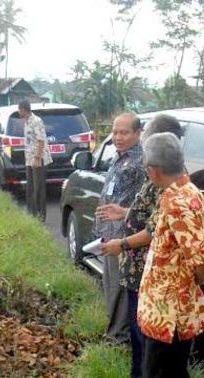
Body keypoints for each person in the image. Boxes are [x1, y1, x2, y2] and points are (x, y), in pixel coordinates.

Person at [133, 132, 204, 378]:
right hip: (169, 309)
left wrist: (187, 284)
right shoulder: (186, 191)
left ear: (153, 170)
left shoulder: (179, 202)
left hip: (168, 313)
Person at [99, 114, 184, 378]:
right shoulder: (155, 179)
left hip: (150, 273)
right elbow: (144, 214)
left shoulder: (172, 189)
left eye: (144, 133)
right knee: (140, 334)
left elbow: (154, 229)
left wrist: (120, 244)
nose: (140, 139)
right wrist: (124, 215)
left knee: (147, 336)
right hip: (138, 269)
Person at [94, 112, 145, 345]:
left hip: (125, 238)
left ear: (137, 133)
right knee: (111, 285)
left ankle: (118, 339)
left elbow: (146, 206)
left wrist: (123, 215)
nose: (118, 137)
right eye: (115, 132)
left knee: (120, 288)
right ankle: (114, 332)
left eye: (124, 132)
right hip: (110, 234)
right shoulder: (120, 157)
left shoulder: (140, 163)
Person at [18, 100, 52, 221]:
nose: (18, 112)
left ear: (23, 109)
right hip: (29, 159)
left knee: (39, 189)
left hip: (38, 159)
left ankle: (40, 215)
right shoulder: (26, 122)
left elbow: (41, 140)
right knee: (30, 189)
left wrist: (37, 158)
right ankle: (31, 214)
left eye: (19, 109)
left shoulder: (36, 121)